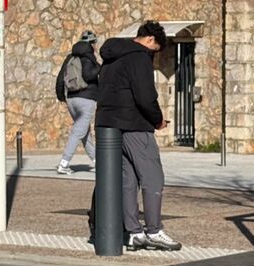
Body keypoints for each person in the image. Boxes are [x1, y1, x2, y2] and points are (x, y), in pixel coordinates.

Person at [89, 21, 181, 251]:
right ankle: (154, 230)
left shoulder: (111, 55)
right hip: (134, 124)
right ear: (150, 39)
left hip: (108, 125)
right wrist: (157, 120)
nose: (153, 56)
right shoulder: (139, 57)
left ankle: (134, 232)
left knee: (127, 180)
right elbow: (145, 96)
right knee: (153, 177)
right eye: (155, 51)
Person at [55, 30, 100, 174]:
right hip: (86, 99)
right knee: (78, 132)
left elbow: (60, 77)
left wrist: (61, 96)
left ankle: (98, 162)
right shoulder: (89, 57)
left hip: (71, 100)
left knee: (84, 133)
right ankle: (64, 163)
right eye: (95, 43)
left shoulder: (70, 57)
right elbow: (88, 75)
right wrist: (99, 68)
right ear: (92, 44)